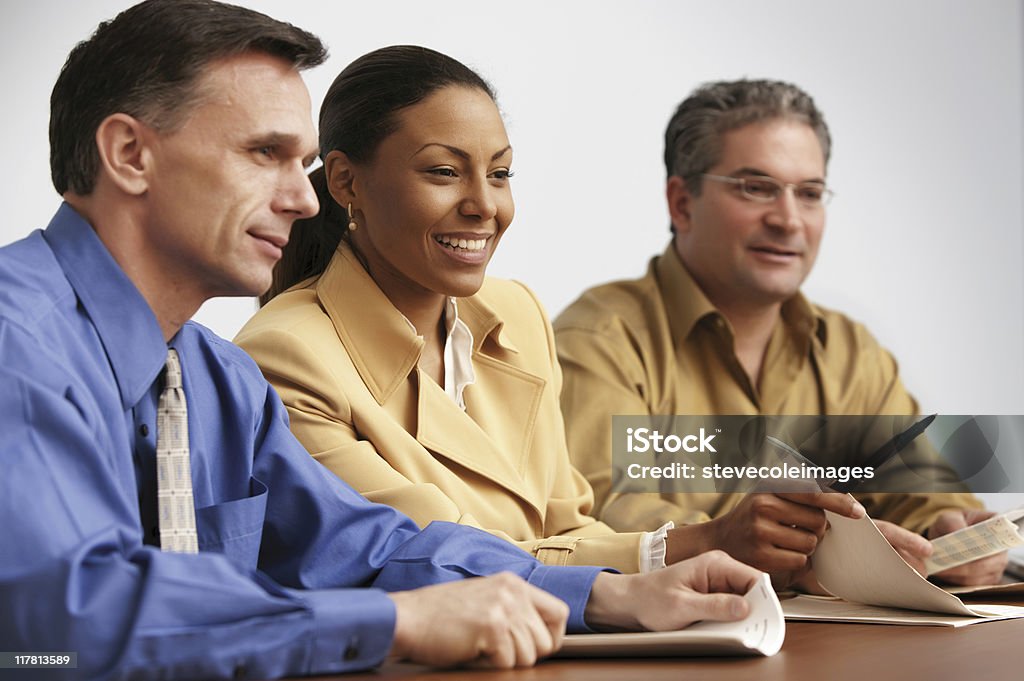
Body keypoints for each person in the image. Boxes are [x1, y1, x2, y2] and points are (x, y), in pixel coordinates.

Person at [0, 4, 767, 678]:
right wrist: (398, 623)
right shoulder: (15, 343)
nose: (303, 200)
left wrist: (607, 592)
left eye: (300, 164)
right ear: (131, 154)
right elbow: (64, 628)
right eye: (263, 153)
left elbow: (362, 548)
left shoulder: (212, 378)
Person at [234, 46, 867, 581]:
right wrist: (702, 544)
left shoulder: (515, 313)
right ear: (346, 182)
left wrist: (877, 541)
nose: (485, 205)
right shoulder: (286, 357)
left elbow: (568, 524)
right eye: (444, 171)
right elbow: (430, 559)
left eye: (501, 173)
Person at [553, 79, 1007, 587]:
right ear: (681, 203)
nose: (789, 220)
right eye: (756, 188)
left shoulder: (851, 352)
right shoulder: (600, 339)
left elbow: (919, 488)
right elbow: (596, 517)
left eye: (809, 193)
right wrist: (756, 545)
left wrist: (949, 530)